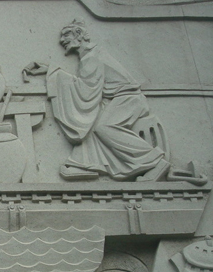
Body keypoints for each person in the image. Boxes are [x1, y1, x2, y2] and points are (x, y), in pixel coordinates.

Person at [25, 19, 170, 181]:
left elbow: (86, 92)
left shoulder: (92, 57)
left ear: (79, 34)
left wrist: (54, 73)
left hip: (128, 99)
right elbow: (88, 87)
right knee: (92, 121)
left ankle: (155, 161)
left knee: (104, 127)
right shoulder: (91, 55)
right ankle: (85, 163)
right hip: (116, 100)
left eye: (66, 35)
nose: (61, 40)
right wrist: (49, 71)